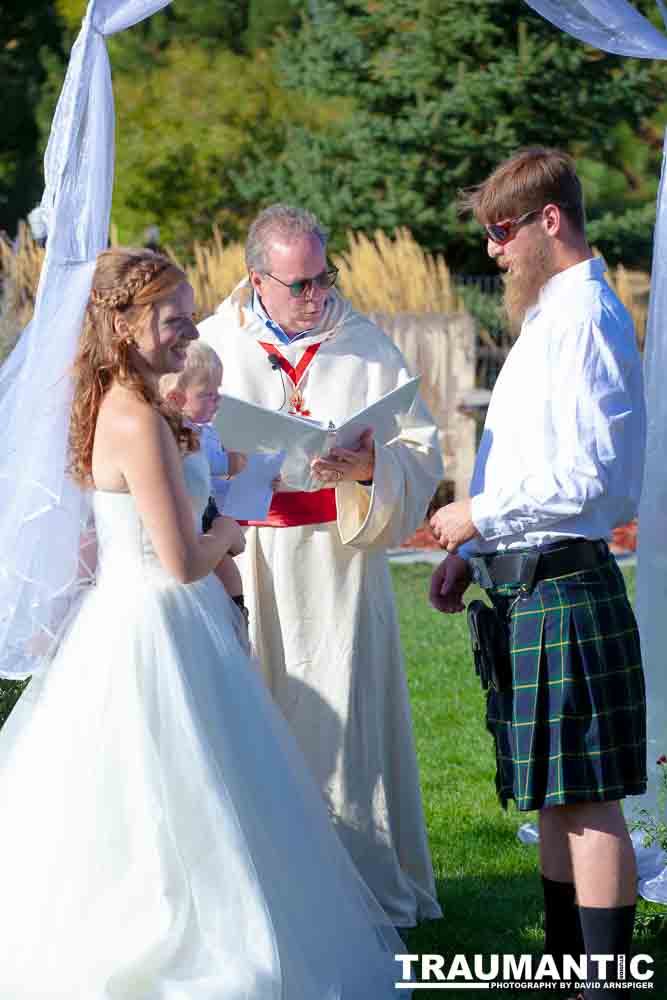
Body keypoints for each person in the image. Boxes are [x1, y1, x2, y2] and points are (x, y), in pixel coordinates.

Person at [0, 247, 407, 997]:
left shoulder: (130, 404)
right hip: (154, 620)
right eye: (173, 320)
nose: (189, 334)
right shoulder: (137, 421)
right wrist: (233, 528)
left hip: (154, 618)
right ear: (120, 325)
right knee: (171, 790)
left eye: (189, 318)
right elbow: (183, 560)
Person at [429, 148, 647, 995]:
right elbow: (531, 460)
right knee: (555, 797)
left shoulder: (584, 317)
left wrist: (476, 516)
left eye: (500, 230)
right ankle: (562, 975)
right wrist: (472, 552)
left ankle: (604, 984)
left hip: (567, 582)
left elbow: (595, 477)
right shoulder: (549, 319)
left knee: (588, 800)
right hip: (529, 582)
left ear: (546, 220)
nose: (492, 250)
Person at [199, 203, 443, 928]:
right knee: (252, 720)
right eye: (297, 284)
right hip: (247, 558)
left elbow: (422, 451)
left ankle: (362, 887)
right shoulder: (212, 343)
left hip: (340, 561)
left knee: (349, 719)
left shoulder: (366, 345)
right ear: (256, 279)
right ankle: (262, 891)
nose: (314, 296)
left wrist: (371, 464)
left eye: (321, 278)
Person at [160, 340, 248, 620]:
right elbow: (201, 464)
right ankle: (237, 610)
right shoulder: (180, 433)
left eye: (217, 392)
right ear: (176, 399)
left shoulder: (205, 429)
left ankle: (237, 607)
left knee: (227, 565)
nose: (217, 400)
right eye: (208, 394)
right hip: (193, 519)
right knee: (223, 565)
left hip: (206, 507)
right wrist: (231, 462)